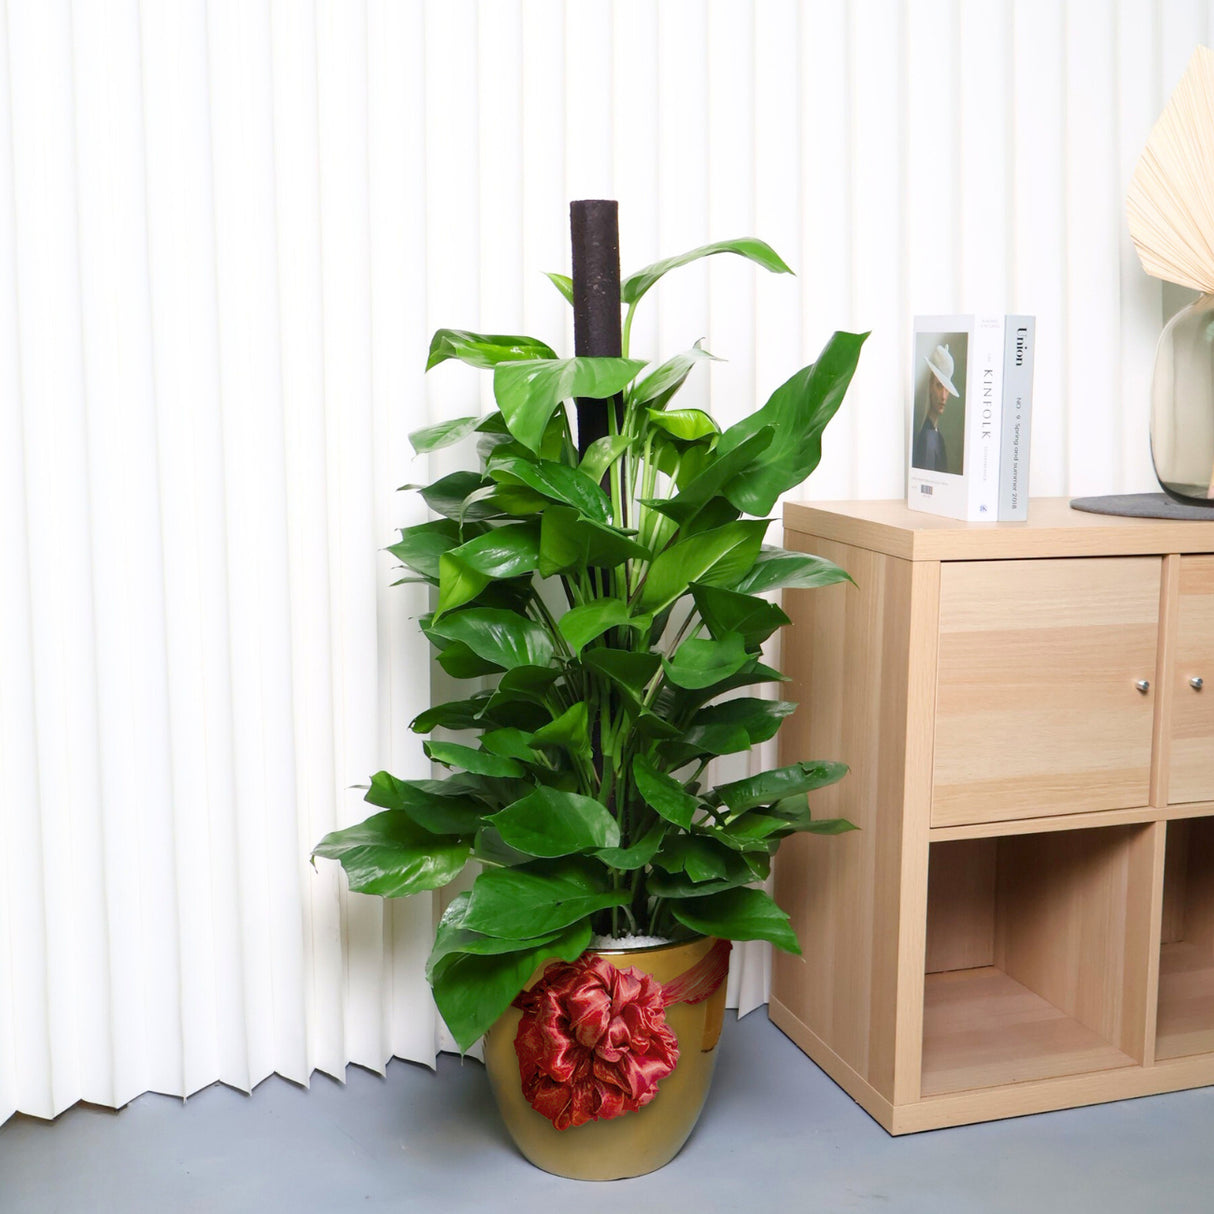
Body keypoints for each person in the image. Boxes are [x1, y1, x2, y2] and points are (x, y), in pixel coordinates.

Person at [913, 342, 959, 473]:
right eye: (939, 386)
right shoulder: (927, 437)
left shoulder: (937, 435)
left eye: (947, 389)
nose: (943, 396)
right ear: (930, 387)